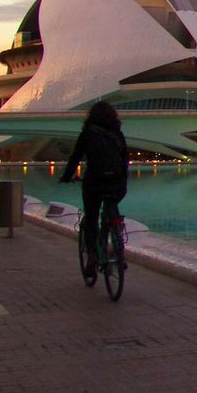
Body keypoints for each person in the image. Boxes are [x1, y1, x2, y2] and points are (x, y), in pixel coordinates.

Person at [60, 101, 129, 275]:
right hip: (116, 183)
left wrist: (67, 176)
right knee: (112, 210)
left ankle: (92, 255)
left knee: (91, 217)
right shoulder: (117, 133)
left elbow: (75, 157)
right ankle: (118, 247)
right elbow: (125, 160)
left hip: (94, 182)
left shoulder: (88, 133)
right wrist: (122, 181)